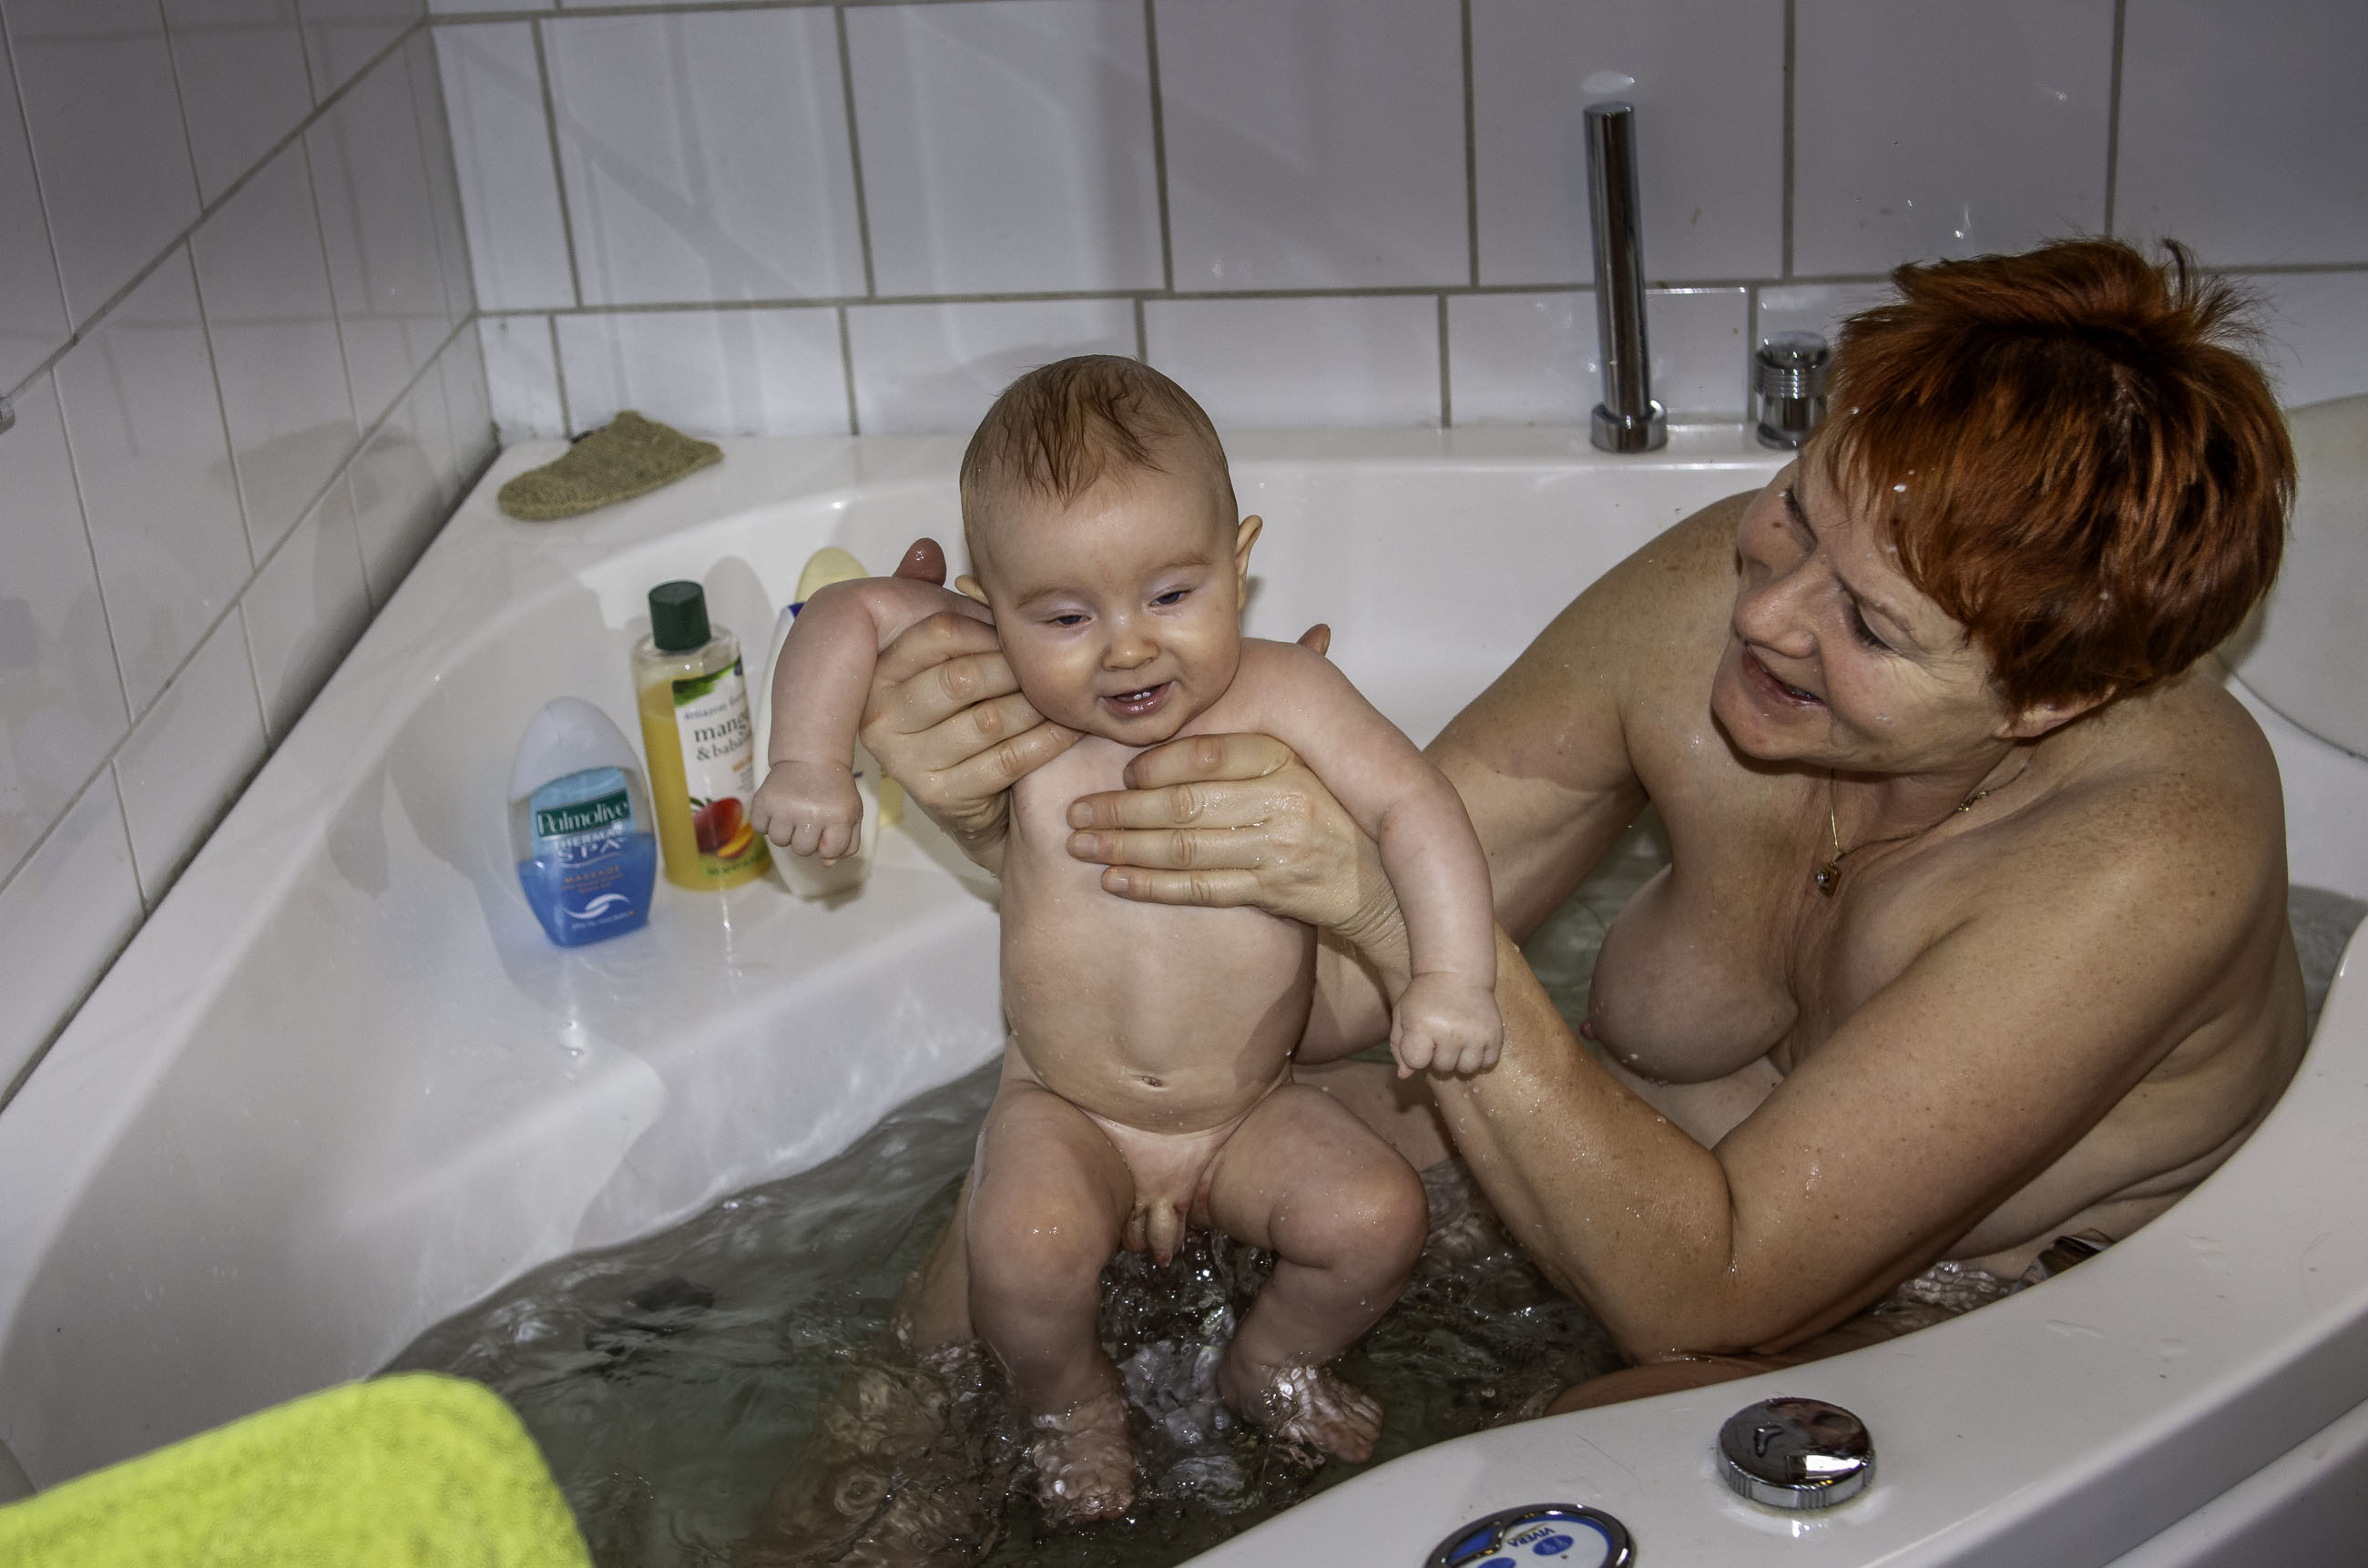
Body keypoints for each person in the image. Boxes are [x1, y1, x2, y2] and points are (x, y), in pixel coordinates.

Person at [855, 240, 2307, 1417]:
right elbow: (1326, 1001)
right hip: (1642, 1177)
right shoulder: (1707, 606)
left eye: (1870, 626)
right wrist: (1032, 800)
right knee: (1043, 1194)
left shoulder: (2148, 852)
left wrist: (1378, 903)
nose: (1766, 611)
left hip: (2015, 1322)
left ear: (2055, 696)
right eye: (1797, 511)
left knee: (1588, 1452)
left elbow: (1708, 1298)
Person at [747, 357, 1501, 1521]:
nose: (1127, 648)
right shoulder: (1017, 694)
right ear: (991, 606)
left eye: (1170, 595)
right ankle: (1069, 1402)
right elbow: (851, 612)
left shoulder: (1285, 693)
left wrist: (1449, 977)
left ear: (1238, 564)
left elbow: (1414, 804)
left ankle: (1270, 1361)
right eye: (1063, 616)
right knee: (1020, 1244)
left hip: (1243, 1113)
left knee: (1375, 1216)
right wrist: (806, 761)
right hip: (1071, 1108)